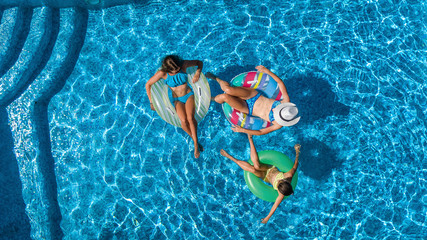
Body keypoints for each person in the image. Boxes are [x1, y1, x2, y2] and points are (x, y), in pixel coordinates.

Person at [220, 134, 300, 224]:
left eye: (278, 184)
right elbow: (295, 165)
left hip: (264, 177)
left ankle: (230, 157)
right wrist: (297, 152)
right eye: (281, 180)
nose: (278, 181)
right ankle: (250, 138)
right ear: (285, 180)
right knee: (257, 165)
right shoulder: (289, 175)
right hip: (269, 168)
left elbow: (275, 206)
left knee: (253, 169)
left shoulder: (281, 193)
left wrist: (267, 218)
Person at [206, 65, 300, 135]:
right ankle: (216, 78)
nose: (274, 110)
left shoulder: (278, 124)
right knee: (228, 90)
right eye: (278, 109)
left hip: (248, 108)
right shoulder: (286, 100)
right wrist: (267, 71)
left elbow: (260, 131)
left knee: (224, 97)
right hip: (253, 96)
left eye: (277, 114)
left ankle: (209, 99)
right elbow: (280, 82)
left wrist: (242, 130)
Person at [146, 55, 204, 158]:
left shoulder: (183, 64)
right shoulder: (162, 73)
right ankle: (195, 139)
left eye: (178, 69)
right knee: (183, 121)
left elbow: (199, 62)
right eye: (174, 71)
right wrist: (151, 102)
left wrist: (197, 73)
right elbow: (148, 84)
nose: (177, 71)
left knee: (190, 118)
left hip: (188, 95)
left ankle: (195, 145)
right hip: (177, 99)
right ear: (168, 69)